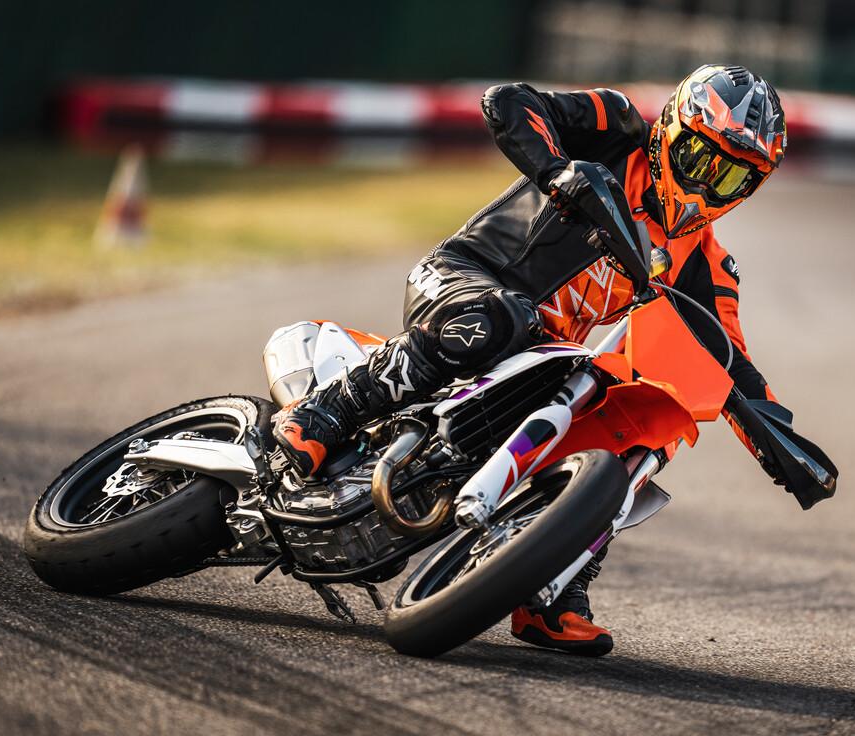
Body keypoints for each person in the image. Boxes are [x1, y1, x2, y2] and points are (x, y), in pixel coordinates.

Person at [275, 64, 811, 657]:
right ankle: (325, 411)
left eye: (731, 177)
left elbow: (729, 359)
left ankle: (551, 583)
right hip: (465, 279)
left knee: (652, 417)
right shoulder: (616, 128)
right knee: (505, 317)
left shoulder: (706, 264)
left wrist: (783, 446)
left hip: (543, 356)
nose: (708, 185)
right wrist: (558, 171)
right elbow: (507, 100)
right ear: (670, 132)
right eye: (699, 159)